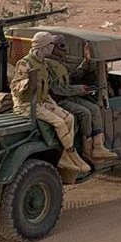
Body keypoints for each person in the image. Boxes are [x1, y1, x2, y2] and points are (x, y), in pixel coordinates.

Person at [11, 31, 90, 174]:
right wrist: (27, 82)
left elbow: (47, 86)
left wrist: (51, 102)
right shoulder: (25, 63)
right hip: (26, 104)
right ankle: (71, 153)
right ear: (43, 47)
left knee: (69, 118)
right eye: (50, 45)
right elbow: (15, 88)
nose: (52, 48)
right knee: (59, 123)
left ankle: (67, 156)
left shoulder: (43, 63)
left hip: (42, 101)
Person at [47, 35, 117, 163]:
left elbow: (72, 77)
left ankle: (98, 147)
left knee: (94, 109)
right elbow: (55, 89)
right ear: (52, 48)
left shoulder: (60, 63)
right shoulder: (47, 65)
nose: (65, 49)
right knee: (85, 113)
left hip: (67, 96)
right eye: (61, 46)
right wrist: (78, 90)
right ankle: (87, 151)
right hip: (57, 100)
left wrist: (86, 62)